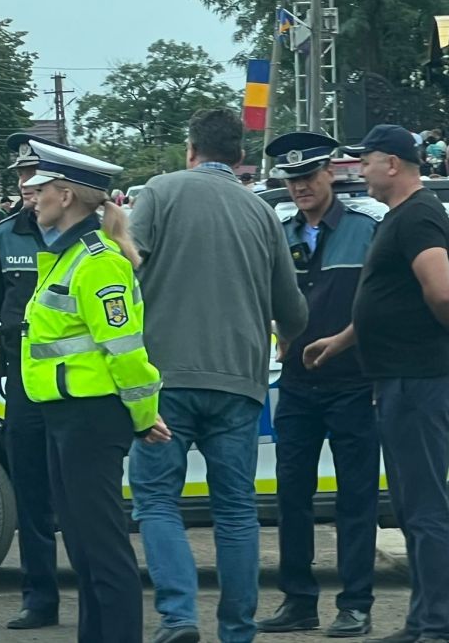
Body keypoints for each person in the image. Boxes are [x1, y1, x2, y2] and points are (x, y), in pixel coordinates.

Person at [129, 108, 308, 643]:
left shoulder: (159, 192)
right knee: (235, 510)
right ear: (241, 157)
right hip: (239, 382)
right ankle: (237, 629)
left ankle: (179, 618)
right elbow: (292, 309)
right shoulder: (262, 213)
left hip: (164, 380)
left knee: (157, 500)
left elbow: (123, 270)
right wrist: (284, 335)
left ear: (190, 150)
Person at [304, 125, 449, 643]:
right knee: (410, 506)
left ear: (392, 164)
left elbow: (440, 290)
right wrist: (342, 341)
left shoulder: (419, 215)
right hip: (399, 377)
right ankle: (423, 621)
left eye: (366, 161)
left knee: (425, 508)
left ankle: (440, 627)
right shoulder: (400, 217)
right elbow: (392, 299)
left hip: (419, 377)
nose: (360, 171)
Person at [20, 140, 169, 643]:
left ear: (65, 196)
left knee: (102, 550)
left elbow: (126, 352)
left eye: (40, 188)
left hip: (91, 418)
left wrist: (144, 416)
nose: (31, 196)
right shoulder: (65, 256)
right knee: (84, 550)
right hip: (66, 416)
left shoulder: (98, 261)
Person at [256, 133, 380, 638]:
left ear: (329, 173)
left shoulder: (366, 229)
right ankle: (299, 601)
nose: (300, 188)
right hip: (297, 385)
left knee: (356, 499)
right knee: (291, 496)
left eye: (308, 176)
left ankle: (356, 604)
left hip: (354, 382)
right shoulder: (280, 233)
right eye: (291, 180)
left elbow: (382, 302)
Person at [0, 135, 63, 630]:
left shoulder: (87, 235)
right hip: (24, 381)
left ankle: (100, 594)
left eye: (35, 176)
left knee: (79, 496)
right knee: (31, 492)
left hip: (78, 385)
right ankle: (40, 597)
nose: (27, 185)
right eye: (21, 176)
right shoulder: (3, 236)